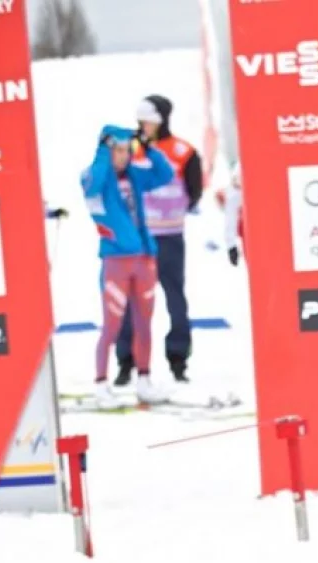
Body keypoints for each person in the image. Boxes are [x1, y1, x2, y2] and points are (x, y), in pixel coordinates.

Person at [81, 124, 174, 406]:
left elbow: (165, 174)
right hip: (115, 260)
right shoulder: (93, 176)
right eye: (117, 151)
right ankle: (101, 384)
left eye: (126, 150)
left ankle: (144, 380)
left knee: (144, 323)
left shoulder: (134, 175)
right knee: (111, 325)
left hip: (144, 258)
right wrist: (103, 150)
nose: (123, 156)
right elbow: (93, 185)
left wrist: (146, 145)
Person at [116, 95, 202, 386]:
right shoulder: (130, 149)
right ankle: (125, 362)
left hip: (169, 238)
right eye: (140, 121)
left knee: (175, 297)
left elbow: (195, 189)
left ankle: (178, 359)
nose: (142, 126)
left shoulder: (183, 151)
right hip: (137, 239)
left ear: (161, 119)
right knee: (129, 301)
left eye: (147, 120)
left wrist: (173, 211)